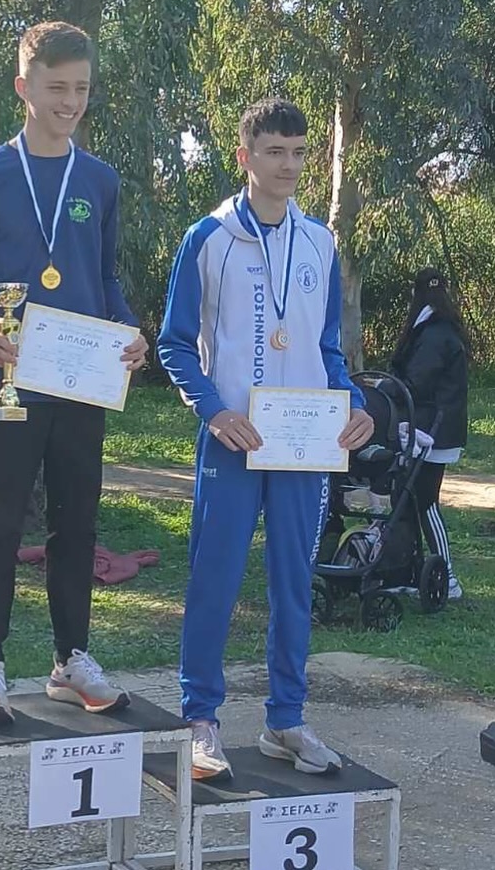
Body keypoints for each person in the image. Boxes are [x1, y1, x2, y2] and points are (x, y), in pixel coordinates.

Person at [0, 21, 148, 725]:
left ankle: (70, 659)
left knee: (77, 524)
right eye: (57, 87)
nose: (71, 102)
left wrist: (128, 330)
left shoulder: (100, 180)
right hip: (8, 382)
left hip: (82, 383)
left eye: (81, 88)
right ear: (23, 87)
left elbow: (104, 278)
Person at [158, 98, 374, 780]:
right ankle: (200, 718)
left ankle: (286, 718)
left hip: (303, 444)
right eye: (275, 152)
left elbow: (326, 347)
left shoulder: (319, 242)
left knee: (293, 583)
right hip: (234, 440)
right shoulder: (209, 238)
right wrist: (214, 411)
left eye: (299, 153)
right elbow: (174, 344)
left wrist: (354, 404)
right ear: (244, 156)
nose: (289, 165)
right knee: (215, 580)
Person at [390, 266, 469, 600]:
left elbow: (416, 382)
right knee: (412, 500)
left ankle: (447, 576)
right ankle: (413, 571)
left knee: (425, 501)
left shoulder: (432, 333)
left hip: (432, 431)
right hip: (435, 428)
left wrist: (384, 387)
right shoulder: (444, 329)